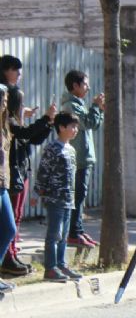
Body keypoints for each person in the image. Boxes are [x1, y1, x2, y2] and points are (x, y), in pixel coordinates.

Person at [0, 55, 55, 276]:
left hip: (15, 172)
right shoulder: (10, 123)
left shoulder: (9, 124)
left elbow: (31, 138)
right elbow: (23, 133)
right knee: (9, 223)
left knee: (14, 220)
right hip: (8, 176)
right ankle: (7, 258)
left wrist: (47, 122)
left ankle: (10, 253)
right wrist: (42, 121)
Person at [34, 113, 83, 282]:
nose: (75, 130)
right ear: (61, 127)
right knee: (54, 234)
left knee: (64, 235)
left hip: (68, 199)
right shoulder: (52, 148)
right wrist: (40, 190)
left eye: (76, 127)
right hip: (54, 198)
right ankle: (50, 268)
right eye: (72, 126)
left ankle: (61, 264)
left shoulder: (71, 149)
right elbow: (43, 171)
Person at [61, 70, 104, 248]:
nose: (88, 88)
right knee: (77, 196)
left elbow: (94, 124)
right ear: (76, 85)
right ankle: (73, 233)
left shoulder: (78, 103)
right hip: (78, 158)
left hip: (84, 157)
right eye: (85, 84)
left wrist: (98, 109)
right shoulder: (72, 106)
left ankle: (78, 230)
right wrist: (96, 107)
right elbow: (88, 123)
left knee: (80, 196)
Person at [0, 85, 19, 294]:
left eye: (5, 100)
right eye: (2, 100)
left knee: (8, 229)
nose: (5, 104)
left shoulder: (5, 126)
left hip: (3, 184)